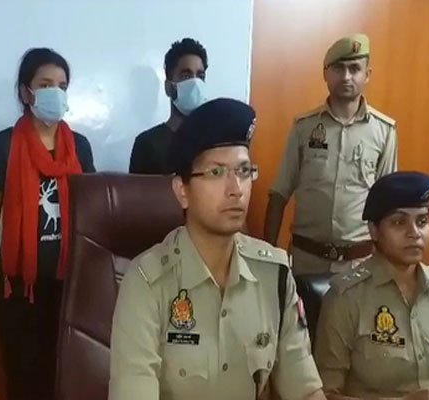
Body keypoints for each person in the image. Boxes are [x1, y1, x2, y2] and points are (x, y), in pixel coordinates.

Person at [109, 98, 325, 400]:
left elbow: (305, 389)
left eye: (244, 171)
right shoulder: (147, 282)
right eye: (216, 173)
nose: (236, 189)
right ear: (182, 191)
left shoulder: (274, 274)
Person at [0, 47, 95, 400]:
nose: (55, 92)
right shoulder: (4, 145)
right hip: (18, 292)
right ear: (26, 92)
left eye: (62, 85)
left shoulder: (79, 147)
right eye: (45, 84)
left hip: (70, 290)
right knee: (24, 383)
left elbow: (91, 221)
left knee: (66, 382)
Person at [264, 33, 398, 275]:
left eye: (354, 68)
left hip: (360, 265)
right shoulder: (304, 127)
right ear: (325, 74)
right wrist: (268, 255)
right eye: (338, 68)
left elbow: (388, 205)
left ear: (367, 74)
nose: (346, 76)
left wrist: (389, 264)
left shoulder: (384, 131)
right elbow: (279, 194)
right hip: (306, 261)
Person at [314, 171, 429, 400]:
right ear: (374, 231)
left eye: (422, 222)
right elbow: (324, 395)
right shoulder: (346, 298)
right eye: (399, 222)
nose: (414, 233)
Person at [128, 37, 208, 174]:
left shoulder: (213, 142)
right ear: (169, 87)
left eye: (200, 76)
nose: (195, 83)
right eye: (186, 76)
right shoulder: (147, 144)